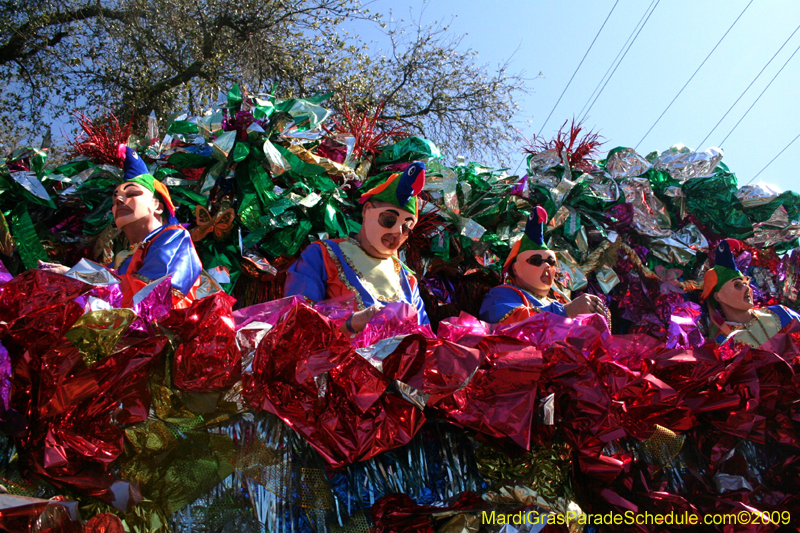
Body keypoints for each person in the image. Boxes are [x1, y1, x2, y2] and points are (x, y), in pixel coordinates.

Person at [285, 162, 429, 333]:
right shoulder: (323, 254)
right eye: (389, 220)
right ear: (367, 210)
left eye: (406, 227)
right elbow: (296, 319)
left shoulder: (408, 281)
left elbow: (424, 335)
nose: (397, 232)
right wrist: (352, 323)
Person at [479, 205, 607, 325]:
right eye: (536, 261)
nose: (546, 266)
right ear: (515, 268)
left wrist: (595, 320)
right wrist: (565, 312)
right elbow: (510, 324)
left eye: (551, 262)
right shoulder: (501, 294)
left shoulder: (556, 302)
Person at [703, 238, 800, 347]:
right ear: (718, 297)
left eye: (746, 283)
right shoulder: (724, 342)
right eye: (737, 285)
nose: (746, 288)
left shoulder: (780, 313)